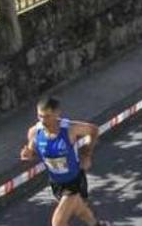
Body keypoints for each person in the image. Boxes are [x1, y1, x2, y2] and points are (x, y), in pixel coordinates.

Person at [19, 97, 103, 226]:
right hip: (56, 182)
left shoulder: (69, 129)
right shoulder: (34, 132)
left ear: (57, 113)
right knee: (81, 211)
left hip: (75, 181)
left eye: (47, 116)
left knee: (58, 223)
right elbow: (34, 152)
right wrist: (29, 155)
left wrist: (87, 154)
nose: (43, 120)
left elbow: (93, 130)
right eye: (39, 116)